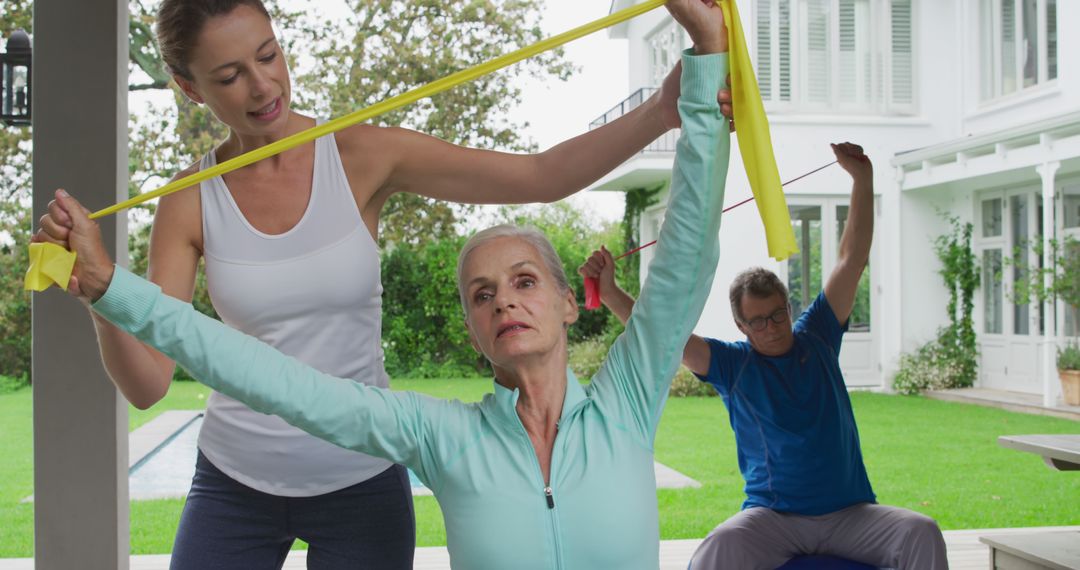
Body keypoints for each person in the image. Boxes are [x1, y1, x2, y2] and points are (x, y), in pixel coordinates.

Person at [33, 0, 730, 567]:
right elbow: (155, 382)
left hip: (360, 467)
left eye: (269, 55)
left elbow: (540, 178)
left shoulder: (359, 153)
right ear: (189, 88)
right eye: (229, 75)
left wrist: (666, 111)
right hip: (236, 477)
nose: (262, 86)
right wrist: (97, 291)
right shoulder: (191, 198)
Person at [578, 142, 949, 570]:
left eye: (777, 315)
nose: (771, 328)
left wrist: (862, 180)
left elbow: (852, 258)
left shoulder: (820, 336)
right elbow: (663, 339)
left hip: (849, 513)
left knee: (921, 532)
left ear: (788, 307)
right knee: (719, 547)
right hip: (774, 519)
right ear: (740, 325)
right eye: (757, 322)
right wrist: (609, 294)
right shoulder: (734, 366)